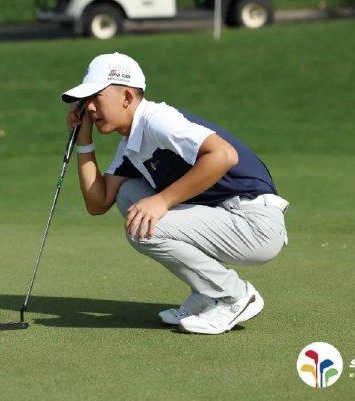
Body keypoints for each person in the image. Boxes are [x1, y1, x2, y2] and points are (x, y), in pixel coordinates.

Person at [62, 52, 289, 335]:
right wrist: (84, 142)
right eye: (86, 102)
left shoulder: (158, 120)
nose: (90, 109)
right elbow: (98, 203)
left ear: (127, 97)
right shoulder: (130, 146)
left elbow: (224, 155)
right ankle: (207, 293)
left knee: (142, 226)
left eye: (96, 98)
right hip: (227, 217)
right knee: (129, 193)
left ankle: (235, 296)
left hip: (254, 224)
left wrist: (161, 201)